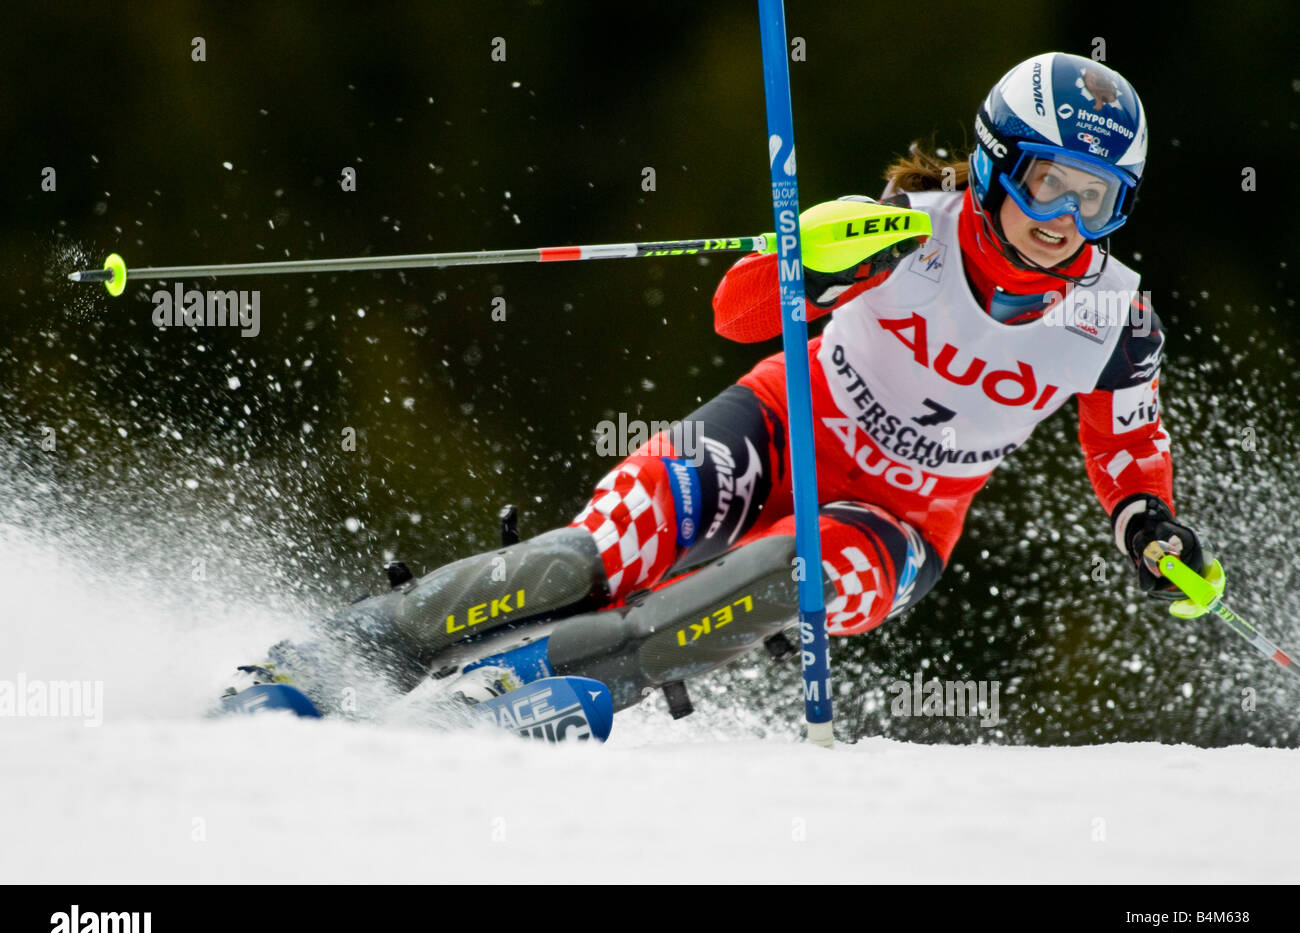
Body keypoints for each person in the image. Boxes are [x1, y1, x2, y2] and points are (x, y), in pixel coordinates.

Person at [235, 52, 1226, 720]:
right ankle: (339, 656)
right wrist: (816, 263)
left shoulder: (1115, 320)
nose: (1066, 219)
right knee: (581, 564)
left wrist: (1149, 530)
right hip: (774, 427)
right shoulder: (910, 221)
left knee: (756, 587)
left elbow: (1127, 450)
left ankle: (513, 695)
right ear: (1000, 164)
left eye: (1095, 199)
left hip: (894, 526)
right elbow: (736, 311)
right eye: (1051, 182)